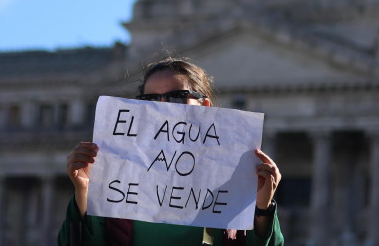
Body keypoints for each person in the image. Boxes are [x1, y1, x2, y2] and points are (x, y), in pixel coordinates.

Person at [58, 57, 285, 246]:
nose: (163, 106)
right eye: (151, 99)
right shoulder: (118, 179)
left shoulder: (233, 180)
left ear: (204, 106)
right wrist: (84, 191)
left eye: (177, 97)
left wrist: (262, 208)